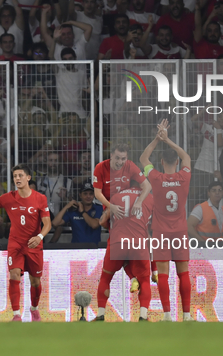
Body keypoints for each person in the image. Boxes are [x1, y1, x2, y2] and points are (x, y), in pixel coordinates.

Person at [0, 164, 52, 322]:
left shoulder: (40, 198)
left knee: (35, 281)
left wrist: (39, 237)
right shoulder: (8, 197)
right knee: (14, 274)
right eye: (15, 176)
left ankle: (34, 309)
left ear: (28, 177)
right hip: (15, 244)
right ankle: (16, 314)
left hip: (34, 245)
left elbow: (47, 224)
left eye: (20, 176)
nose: (17, 179)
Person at [139, 119, 193, 322]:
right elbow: (186, 156)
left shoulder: (155, 178)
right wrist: (168, 140)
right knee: (183, 272)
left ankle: (167, 315)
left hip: (160, 232)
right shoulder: (184, 177)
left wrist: (157, 139)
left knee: (163, 274)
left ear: (161, 162)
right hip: (180, 231)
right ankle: (187, 315)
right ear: (176, 162)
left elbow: (143, 158)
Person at [93, 143, 152, 289]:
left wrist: (138, 202)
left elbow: (147, 186)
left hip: (127, 209)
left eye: (123, 158)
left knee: (128, 245)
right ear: (111, 155)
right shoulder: (100, 167)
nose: (120, 162)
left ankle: (136, 277)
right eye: (117, 158)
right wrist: (111, 206)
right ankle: (136, 276)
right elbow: (97, 193)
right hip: (111, 209)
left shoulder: (130, 166)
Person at [94, 187, 153, 321]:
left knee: (105, 278)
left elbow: (102, 221)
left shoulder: (115, 197)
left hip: (117, 242)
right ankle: (143, 316)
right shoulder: (150, 198)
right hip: (138, 242)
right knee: (144, 280)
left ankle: (100, 314)